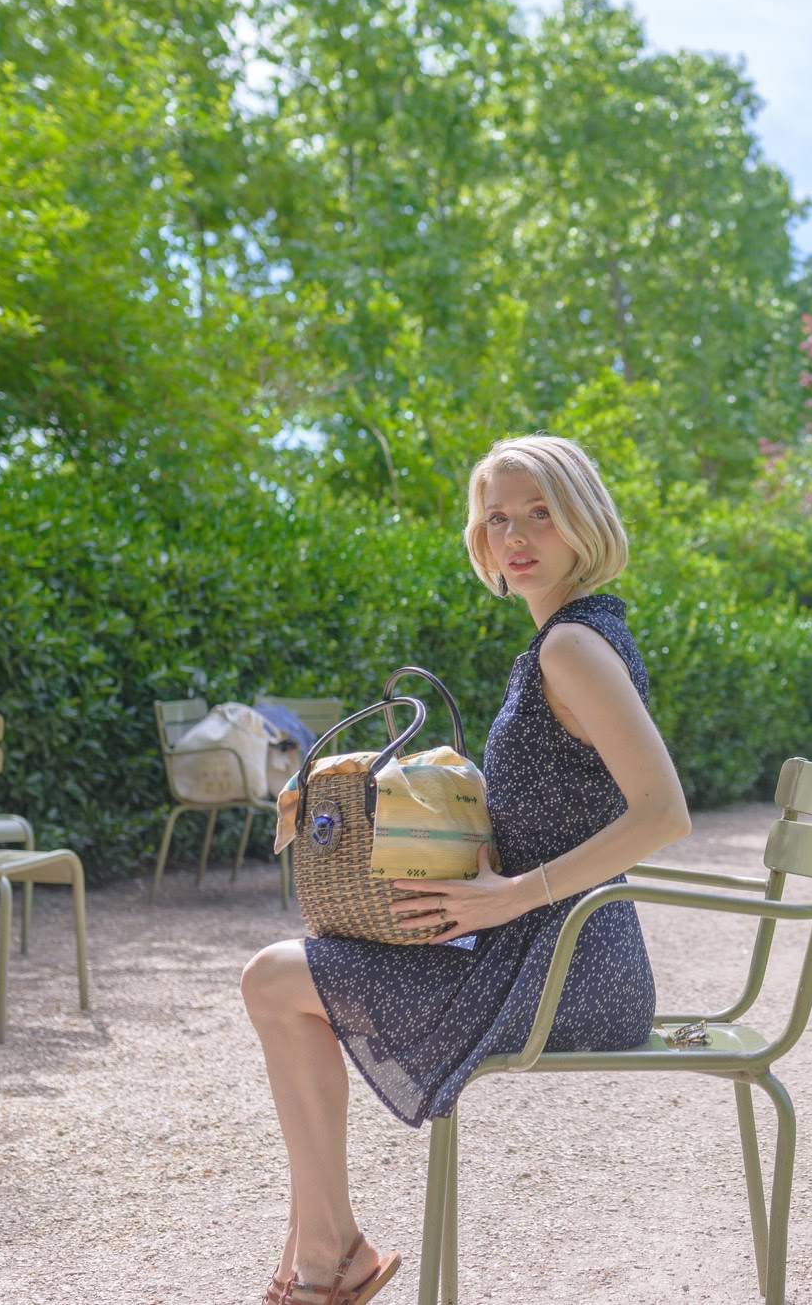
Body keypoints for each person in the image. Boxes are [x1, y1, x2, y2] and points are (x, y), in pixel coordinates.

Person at [239, 435, 690, 1304]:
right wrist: (353, 787)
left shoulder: (571, 648)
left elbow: (663, 813)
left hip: (564, 967)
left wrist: (509, 896)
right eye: (497, 518)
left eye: (538, 514)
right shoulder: (573, 638)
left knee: (274, 979)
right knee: (283, 981)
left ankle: (326, 1260)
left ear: (582, 521)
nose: (515, 535)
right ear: (480, 539)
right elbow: (538, 809)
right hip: (552, 953)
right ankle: (324, 1253)